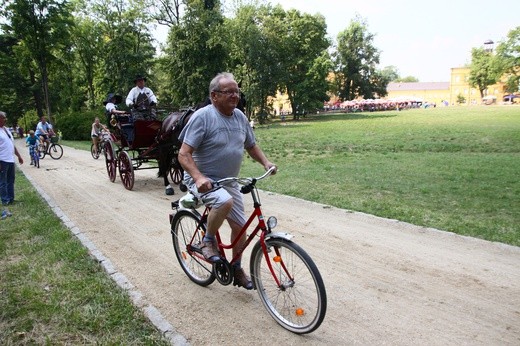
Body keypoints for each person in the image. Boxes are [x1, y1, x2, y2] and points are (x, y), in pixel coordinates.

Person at [178, 72, 276, 290]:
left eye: (237, 91)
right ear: (214, 96)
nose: (235, 95)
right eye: (229, 92)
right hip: (203, 180)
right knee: (224, 201)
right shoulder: (203, 117)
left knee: (240, 227)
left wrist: (266, 163)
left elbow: (251, 145)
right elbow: (183, 154)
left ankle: (236, 267)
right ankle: (208, 241)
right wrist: (199, 177)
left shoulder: (240, 117)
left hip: (229, 181)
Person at [0, 111, 24, 219]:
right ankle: (5, 201)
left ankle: (11, 198)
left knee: (11, 180)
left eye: (5, 118)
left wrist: (19, 156)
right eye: (3, 118)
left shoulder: (6, 130)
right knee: (3, 182)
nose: (5, 119)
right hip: (2, 160)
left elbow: (11, 144)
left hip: (10, 160)